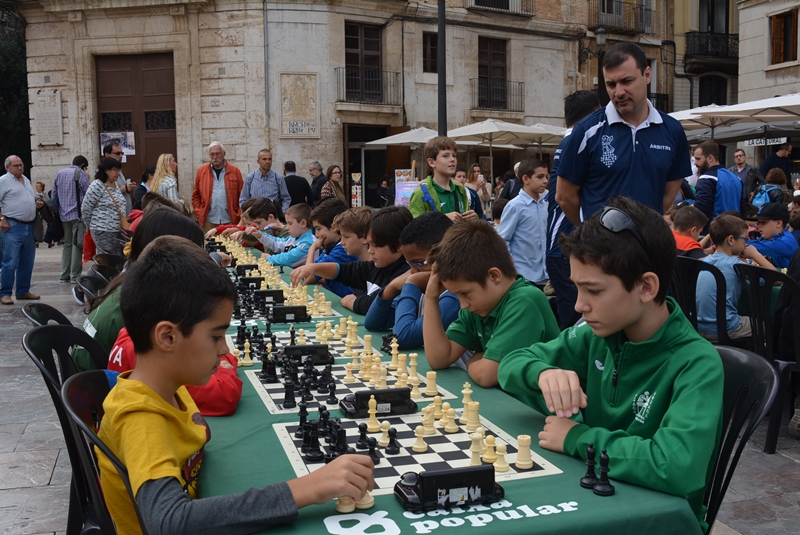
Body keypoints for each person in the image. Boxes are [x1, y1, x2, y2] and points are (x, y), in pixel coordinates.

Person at [99, 234, 374, 535]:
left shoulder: (169, 388)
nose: (223, 350)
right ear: (167, 337)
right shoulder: (142, 417)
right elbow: (169, 522)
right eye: (216, 336)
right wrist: (306, 489)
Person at [497, 197, 723, 532]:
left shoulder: (698, 363)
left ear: (646, 287)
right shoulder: (597, 335)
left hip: (652, 522)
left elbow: (677, 466)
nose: (579, 305)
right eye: (577, 288)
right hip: (592, 503)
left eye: (594, 291)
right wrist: (542, 372)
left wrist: (578, 438)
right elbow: (510, 364)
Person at [556, 43, 691, 225]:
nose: (618, 92)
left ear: (647, 75)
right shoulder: (586, 131)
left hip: (647, 247)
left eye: (627, 81)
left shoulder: (673, 130)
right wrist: (591, 234)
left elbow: (668, 195)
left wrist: (644, 227)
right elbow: (564, 196)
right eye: (611, 84)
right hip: (601, 249)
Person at [423, 218, 559, 389]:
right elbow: (439, 359)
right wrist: (430, 297)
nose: (463, 305)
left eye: (465, 293)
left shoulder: (525, 300)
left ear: (494, 276)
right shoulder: (480, 306)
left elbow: (485, 375)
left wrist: (473, 362)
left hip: (539, 410)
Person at [290, 206, 412, 314]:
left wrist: (353, 302)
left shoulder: (402, 273)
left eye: (376, 245)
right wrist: (313, 268)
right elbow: (344, 271)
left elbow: (372, 305)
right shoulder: (375, 266)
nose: (370, 250)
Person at [546, 90, 601, 330]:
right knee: (576, 324)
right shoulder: (577, 141)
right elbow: (564, 197)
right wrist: (590, 231)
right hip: (566, 247)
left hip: (561, 248)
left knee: (575, 319)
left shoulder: (568, 142)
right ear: (594, 113)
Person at [364, 211, 459, 349]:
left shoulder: (454, 296)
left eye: (418, 263)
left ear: (445, 254)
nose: (413, 271)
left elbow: (402, 337)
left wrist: (411, 283)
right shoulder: (422, 288)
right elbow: (373, 324)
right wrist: (391, 288)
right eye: (410, 265)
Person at [696, 214, 774, 342]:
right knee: (767, 326)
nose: (746, 244)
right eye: (745, 240)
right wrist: (755, 254)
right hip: (726, 328)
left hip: (696, 326)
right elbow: (775, 278)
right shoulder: (736, 265)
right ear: (731, 240)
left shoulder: (704, 261)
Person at [497, 159, 549, 288]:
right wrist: (512, 268)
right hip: (523, 275)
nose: (545, 181)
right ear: (526, 179)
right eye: (540, 177)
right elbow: (502, 240)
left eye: (546, 176)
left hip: (545, 274)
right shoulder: (515, 206)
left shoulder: (545, 204)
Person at [0, 155, 43, 304]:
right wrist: (1, 219)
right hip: (12, 226)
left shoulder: (26, 180)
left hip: (29, 226)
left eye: (21, 164)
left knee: (27, 261)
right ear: (8, 167)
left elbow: (27, 198)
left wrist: (35, 202)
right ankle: (5, 293)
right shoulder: (3, 181)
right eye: (15, 165)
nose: (19, 167)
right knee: (10, 261)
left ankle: (23, 291)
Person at [408, 137, 473, 220]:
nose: (452, 159)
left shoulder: (460, 189)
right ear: (431, 162)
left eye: (454, 155)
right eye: (446, 156)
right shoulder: (420, 193)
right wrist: (443, 219)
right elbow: (414, 228)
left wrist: (473, 218)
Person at [305, 198, 358, 298]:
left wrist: (312, 249)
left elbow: (308, 276)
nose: (316, 235)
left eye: (318, 229)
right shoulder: (330, 247)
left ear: (334, 227)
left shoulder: (341, 250)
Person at [693, 140, 746, 232]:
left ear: (710, 158)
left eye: (698, 159)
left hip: (713, 233)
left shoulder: (707, 178)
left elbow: (700, 209)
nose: (695, 163)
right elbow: (743, 207)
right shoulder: (736, 178)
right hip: (734, 231)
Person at [52, 155, 90, 284]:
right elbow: (88, 193)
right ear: (83, 165)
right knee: (77, 245)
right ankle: (75, 276)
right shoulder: (80, 174)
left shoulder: (60, 173)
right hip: (77, 215)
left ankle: (64, 274)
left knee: (67, 244)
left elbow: (54, 194)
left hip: (63, 214)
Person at [192, 141, 244, 232]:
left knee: (230, 246)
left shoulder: (235, 171)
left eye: (217, 154)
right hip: (209, 221)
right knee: (210, 245)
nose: (215, 157)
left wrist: (238, 214)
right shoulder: (201, 171)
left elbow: (242, 195)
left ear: (224, 154)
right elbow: (196, 195)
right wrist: (199, 213)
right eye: (212, 154)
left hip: (230, 220)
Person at [81, 157, 128, 258]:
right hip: (103, 230)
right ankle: (94, 274)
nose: (118, 173)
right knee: (106, 260)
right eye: (115, 170)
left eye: (119, 170)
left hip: (118, 230)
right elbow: (85, 209)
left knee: (117, 259)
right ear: (106, 170)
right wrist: (92, 225)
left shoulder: (114, 185)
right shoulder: (97, 185)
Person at [245, 203, 314, 267]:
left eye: (290, 223)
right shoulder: (293, 238)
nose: (287, 227)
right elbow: (276, 243)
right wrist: (260, 235)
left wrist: (269, 258)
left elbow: (288, 258)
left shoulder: (309, 242)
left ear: (303, 223)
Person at [746, 202, 799, 269]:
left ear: (778, 223)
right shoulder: (767, 237)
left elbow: (750, 248)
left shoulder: (786, 241)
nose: (758, 226)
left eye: (763, 222)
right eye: (758, 223)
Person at [103, 142, 136, 214]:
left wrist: (128, 187)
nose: (121, 156)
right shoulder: (102, 173)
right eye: (117, 153)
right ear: (107, 155)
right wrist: (123, 189)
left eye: (122, 153)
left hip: (125, 215)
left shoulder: (119, 171)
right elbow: (104, 195)